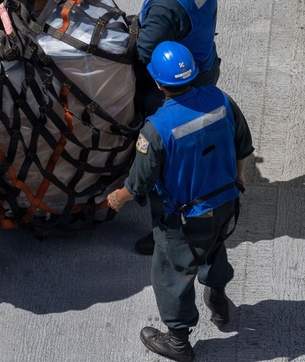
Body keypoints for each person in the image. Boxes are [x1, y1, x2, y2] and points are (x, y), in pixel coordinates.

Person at [107, 42, 253, 362]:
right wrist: (239, 177)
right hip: (225, 201)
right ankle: (218, 298)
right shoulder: (220, 100)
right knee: (214, 248)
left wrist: (119, 197)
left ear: (158, 83)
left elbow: (140, 182)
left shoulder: (157, 128)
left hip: (183, 219)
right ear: (194, 72)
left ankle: (177, 342)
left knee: (172, 272)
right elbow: (242, 143)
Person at [131, 0, 221, 255]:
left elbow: (144, 52)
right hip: (204, 63)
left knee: (167, 160)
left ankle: (168, 233)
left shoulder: (168, 5)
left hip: (179, 84)